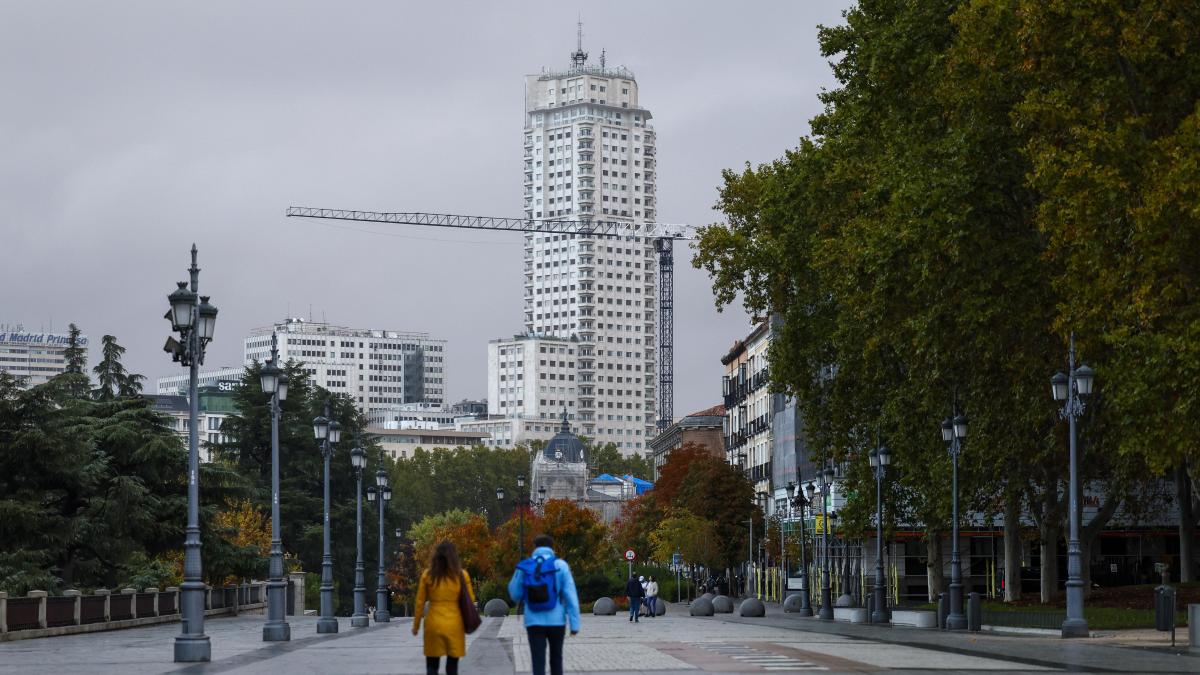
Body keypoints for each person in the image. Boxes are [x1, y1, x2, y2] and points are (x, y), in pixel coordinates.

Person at [508, 534, 581, 675]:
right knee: (556, 659)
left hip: (533, 622)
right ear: (551, 547)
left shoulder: (525, 566)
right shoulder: (561, 565)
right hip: (557, 621)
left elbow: (514, 593)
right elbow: (571, 596)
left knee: (538, 661)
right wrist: (575, 624)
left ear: (535, 547)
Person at [412, 540, 475, 675]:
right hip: (455, 624)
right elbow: (471, 599)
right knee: (452, 667)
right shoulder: (462, 575)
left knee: (432, 665)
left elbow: (420, 602)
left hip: (433, 625)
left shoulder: (428, 575)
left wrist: (416, 626)